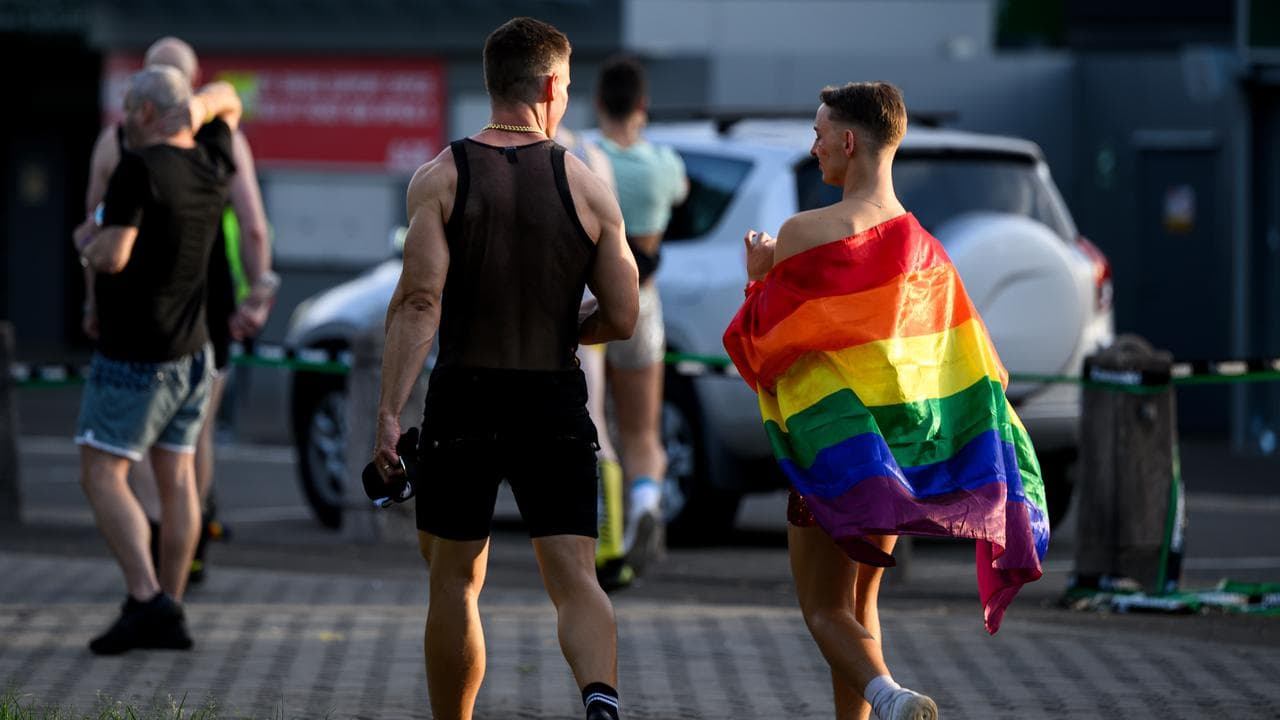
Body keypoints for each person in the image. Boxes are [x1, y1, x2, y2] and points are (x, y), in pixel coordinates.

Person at [724, 82, 1049, 720]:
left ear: (849, 142)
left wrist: (760, 275)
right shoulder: (927, 252)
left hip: (834, 455)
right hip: (895, 460)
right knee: (861, 603)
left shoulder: (804, 233)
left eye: (819, 134)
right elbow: (980, 367)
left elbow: (766, 344)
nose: (814, 148)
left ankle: (889, 697)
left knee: (823, 609)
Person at [370, 17, 638, 720]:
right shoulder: (587, 186)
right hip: (553, 397)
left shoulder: (441, 177)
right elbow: (623, 315)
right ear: (550, 86)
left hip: (465, 397)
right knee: (576, 578)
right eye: (567, 86)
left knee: (455, 581)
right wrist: (567, 325)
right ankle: (601, 700)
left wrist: (390, 415)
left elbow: (420, 301)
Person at [83, 36, 278, 583]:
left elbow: (98, 234)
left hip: (137, 317)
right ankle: (184, 560)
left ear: (144, 102)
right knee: (192, 445)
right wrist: (257, 293)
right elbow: (254, 226)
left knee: (125, 452)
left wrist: (91, 301)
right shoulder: (219, 145)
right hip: (206, 307)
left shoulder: (118, 145)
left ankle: (148, 552)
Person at [72, 66, 243, 654]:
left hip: (136, 357)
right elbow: (228, 100)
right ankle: (171, 606)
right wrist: (195, 109)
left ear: (145, 113)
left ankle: (145, 599)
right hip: (194, 352)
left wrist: (85, 245)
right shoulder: (212, 162)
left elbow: (113, 255)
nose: (122, 119)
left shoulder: (137, 167)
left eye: (128, 108)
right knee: (178, 481)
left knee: (100, 471)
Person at [593, 56, 688, 585]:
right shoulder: (664, 163)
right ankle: (646, 504)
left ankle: (601, 535)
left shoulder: (586, 156)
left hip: (591, 298)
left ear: (598, 102)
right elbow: (682, 195)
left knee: (593, 422)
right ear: (643, 105)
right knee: (641, 430)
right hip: (643, 303)